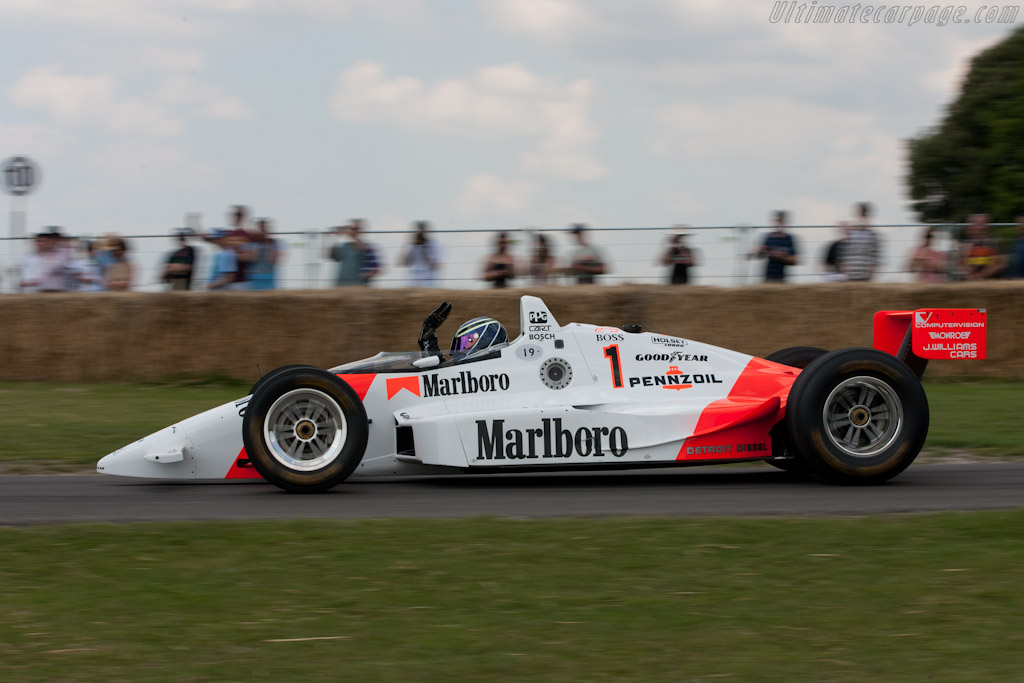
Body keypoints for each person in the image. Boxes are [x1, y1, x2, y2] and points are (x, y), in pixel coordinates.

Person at [328, 219, 381, 286]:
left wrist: (350, 235)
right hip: (341, 285)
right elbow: (330, 255)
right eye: (352, 229)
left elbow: (363, 249)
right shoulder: (343, 246)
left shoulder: (368, 246)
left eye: (356, 228)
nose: (354, 231)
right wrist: (333, 236)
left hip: (359, 286)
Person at [838, 202, 881, 281]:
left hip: (864, 275)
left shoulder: (872, 234)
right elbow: (844, 253)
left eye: (862, 214)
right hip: (851, 275)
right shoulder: (850, 233)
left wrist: (870, 273)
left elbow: (875, 257)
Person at [754, 211, 798, 282]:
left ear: (785, 222)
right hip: (767, 277)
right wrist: (759, 251)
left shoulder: (789, 238)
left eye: (781, 221)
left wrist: (780, 256)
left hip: (782, 278)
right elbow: (759, 256)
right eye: (777, 220)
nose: (779, 223)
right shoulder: (767, 237)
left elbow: (795, 261)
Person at [960, 214, 1007, 280]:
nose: (977, 227)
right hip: (970, 283)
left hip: (991, 283)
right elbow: (960, 263)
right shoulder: (965, 244)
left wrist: (981, 275)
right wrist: (966, 271)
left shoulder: (995, 242)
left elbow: (1001, 263)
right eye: (972, 224)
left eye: (980, 224)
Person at [243, 218, 281, 290]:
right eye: (261, 229)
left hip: (268, 280)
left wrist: (266, 244)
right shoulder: (251, 244)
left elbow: (274, 260)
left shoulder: (274, 243)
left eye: (265, 229)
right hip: (254, 281)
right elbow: (249, 258)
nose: (263, 232)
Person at [403, 220, 441, 287]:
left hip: (428, 278)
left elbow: (436, 265)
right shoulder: (413, 245)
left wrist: (424, 249)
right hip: (414, 276)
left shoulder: (433, 244)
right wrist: (414, 246)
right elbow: (406, 262)